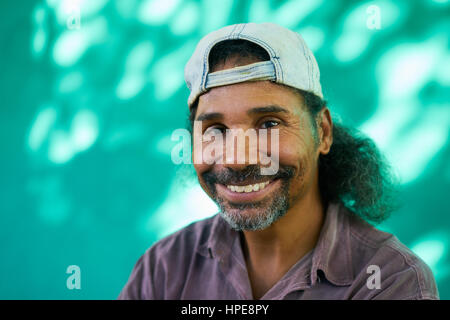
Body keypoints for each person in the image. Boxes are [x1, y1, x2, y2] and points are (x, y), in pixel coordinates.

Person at [118, 23, 439, 300]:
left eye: (269, 123)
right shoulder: (164, 269)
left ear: (323, 132)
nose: (238, 159)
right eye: (215, 129)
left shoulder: (389, 281)